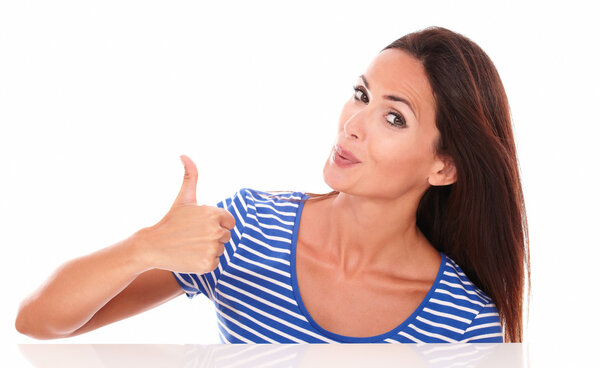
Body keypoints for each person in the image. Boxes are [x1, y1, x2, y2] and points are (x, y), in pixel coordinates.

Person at [15, 26, 529, 343]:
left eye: (394, 118)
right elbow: (38, 321)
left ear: (443, 167)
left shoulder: (464, 322)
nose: (352, 123)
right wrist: (145, 247)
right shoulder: (249, 229)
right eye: (361, 94)